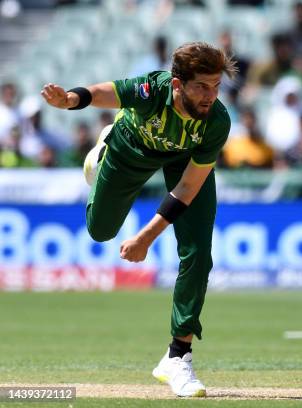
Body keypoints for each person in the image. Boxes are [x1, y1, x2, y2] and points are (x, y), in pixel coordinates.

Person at [41, 41, 237, 398]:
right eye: (201, 87)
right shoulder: (153, 89)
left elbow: (187, 189)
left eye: (216, 86)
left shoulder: (216, 121)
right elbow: (107, 92)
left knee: (198, 252)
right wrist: (69, 100)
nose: (211, 96)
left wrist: (147, 236)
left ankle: (178, 356)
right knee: (100, 230)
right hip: (132, 147)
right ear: (178, 85)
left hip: (185, 156)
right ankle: (102, 150)